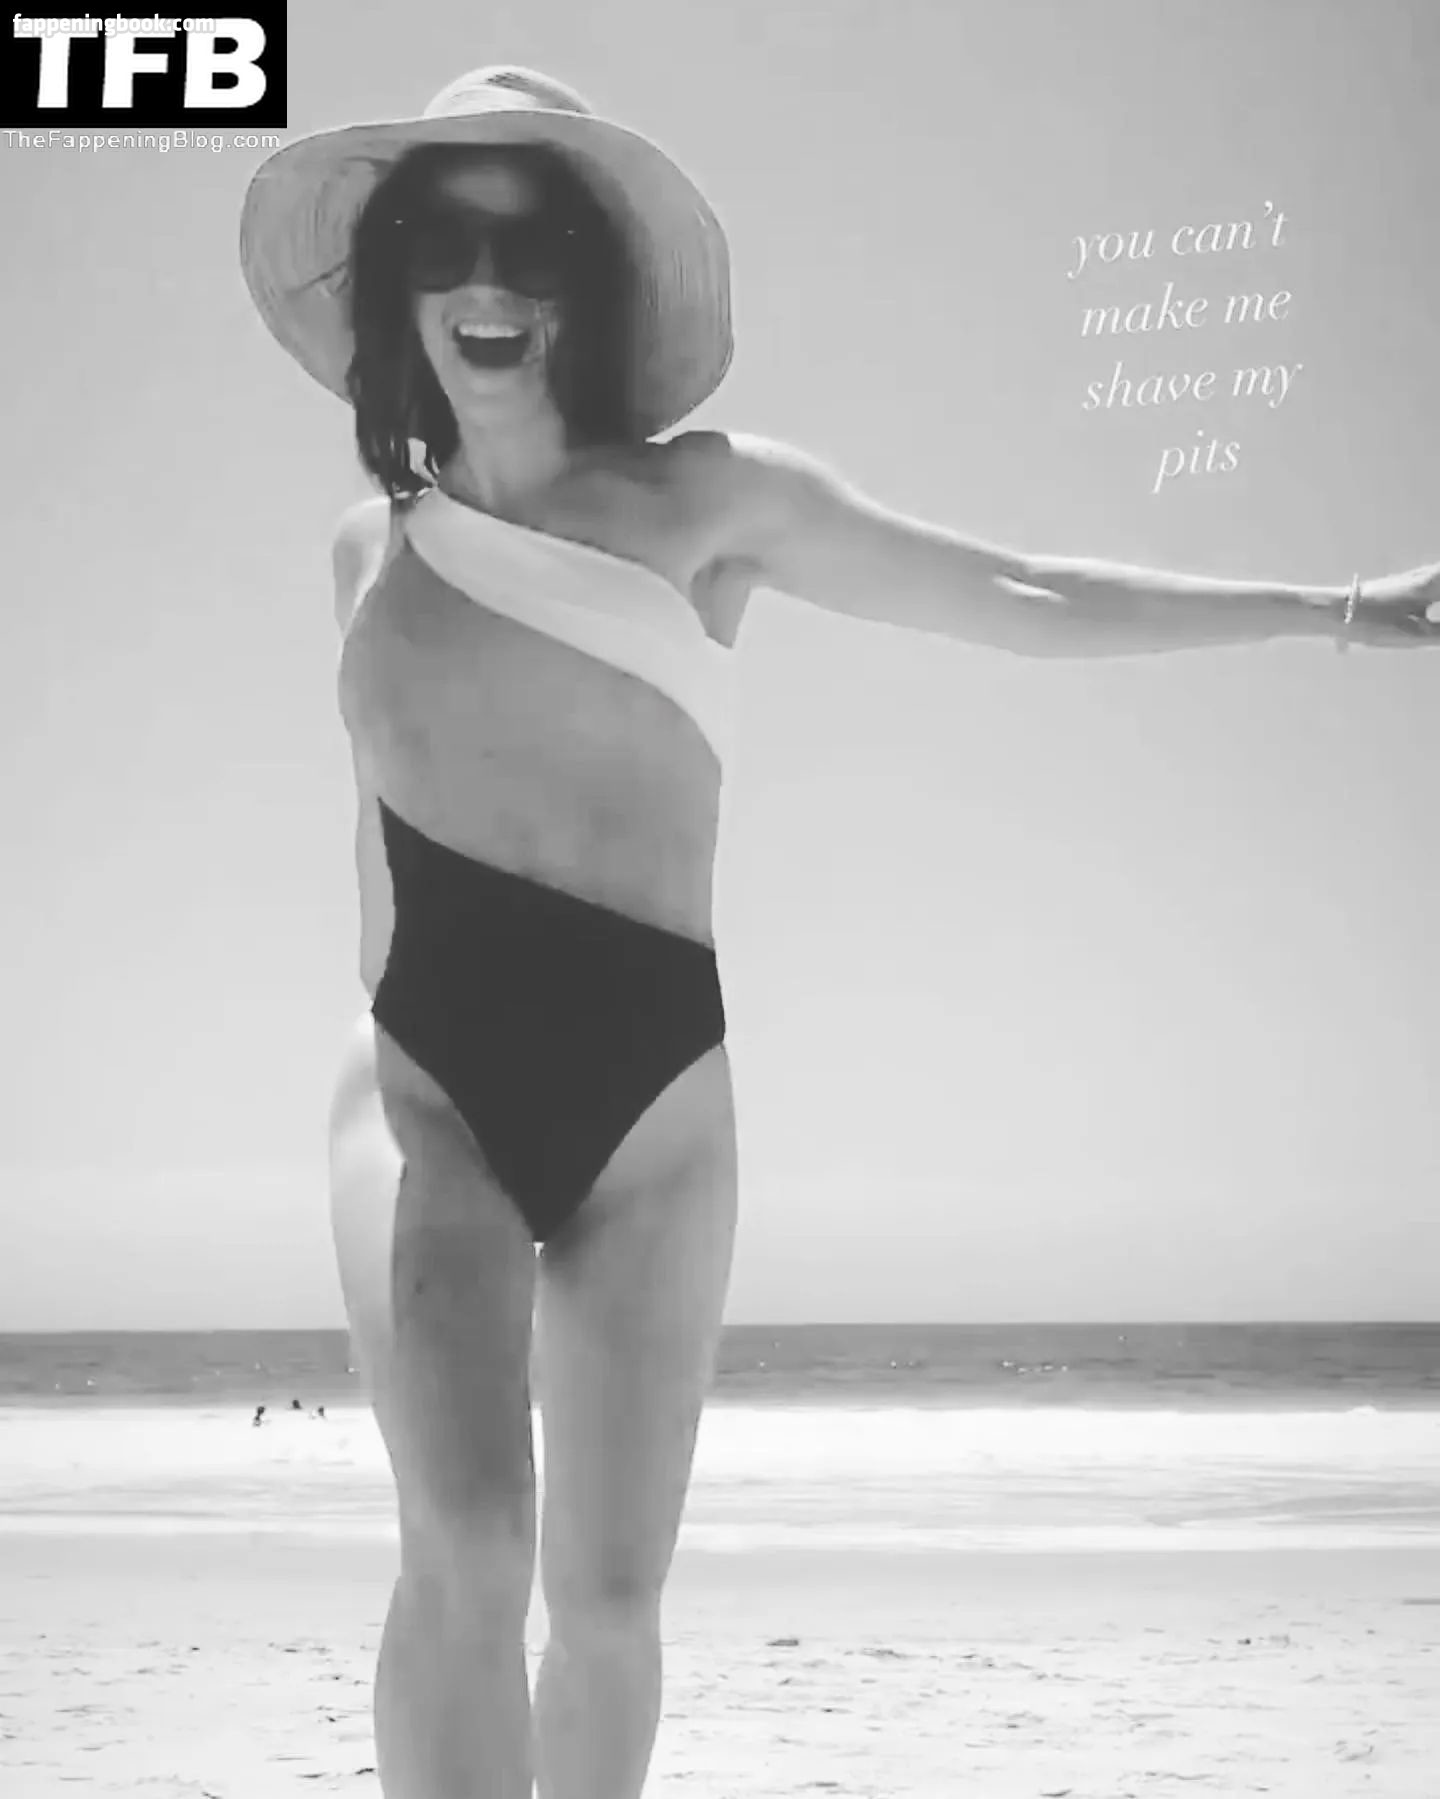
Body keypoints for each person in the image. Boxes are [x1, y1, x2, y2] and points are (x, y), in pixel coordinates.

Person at [239, 63, 1440, 1799]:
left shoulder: (715, 504)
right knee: (470, 1554)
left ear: (588, 285)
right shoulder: (370, 552)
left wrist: (1330, 608)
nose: (486, 283)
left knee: (606, 1604)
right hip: (429, 1091)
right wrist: (397, 1035)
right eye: (445, 241)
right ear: (397, 283)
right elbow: (375, 836)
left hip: (655, 1118)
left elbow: (1019, 592)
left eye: (531, 243)